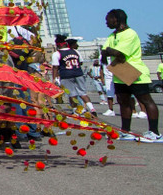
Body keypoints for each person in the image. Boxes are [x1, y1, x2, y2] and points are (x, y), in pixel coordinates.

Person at [102, 9, 160, 141]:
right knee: (123, 102)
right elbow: (105, 51)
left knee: (145, 100)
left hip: (134, 72)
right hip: (120, 72)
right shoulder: (112, 35)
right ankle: (125, 131)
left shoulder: (130, 34)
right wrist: (108, 52)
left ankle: (154, 132)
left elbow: (118, 53)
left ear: (116, 19)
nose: (106, 23)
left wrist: (109, 51)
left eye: (108, 19)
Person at [51, 35, 96, 115]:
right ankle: (92, 109)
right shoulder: (75, 51)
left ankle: (76, 111)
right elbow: (81, 62)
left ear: (57, 44)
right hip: (78, 73)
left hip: (66, 75)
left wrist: (54, 78)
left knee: (72, 94)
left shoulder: (57, 54)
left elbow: (55, 67)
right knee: (83, 93)